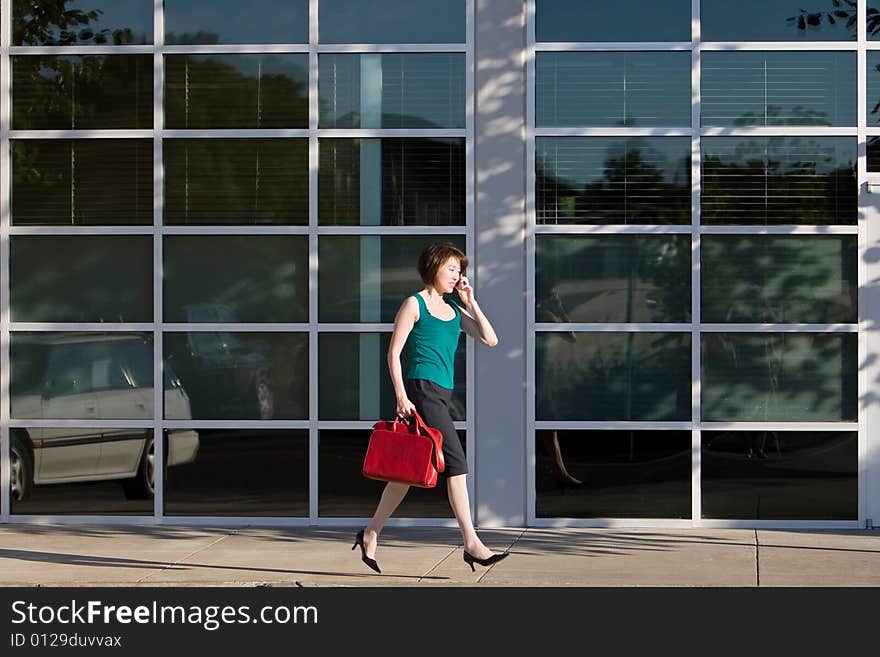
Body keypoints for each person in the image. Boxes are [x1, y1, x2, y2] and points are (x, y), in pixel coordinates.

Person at [352, 242, 509, 574]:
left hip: (442, 393)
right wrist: (400, 396)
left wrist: (471, 302)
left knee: (408, 471)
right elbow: (393, 353)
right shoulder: (415, 303)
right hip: (421, 390)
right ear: (433, 267)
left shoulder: (453, 307)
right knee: (456, 463)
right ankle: (471, 542)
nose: (457, 275)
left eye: (459, 270)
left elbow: (490, 339)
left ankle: (370, 532)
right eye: (451, 268)